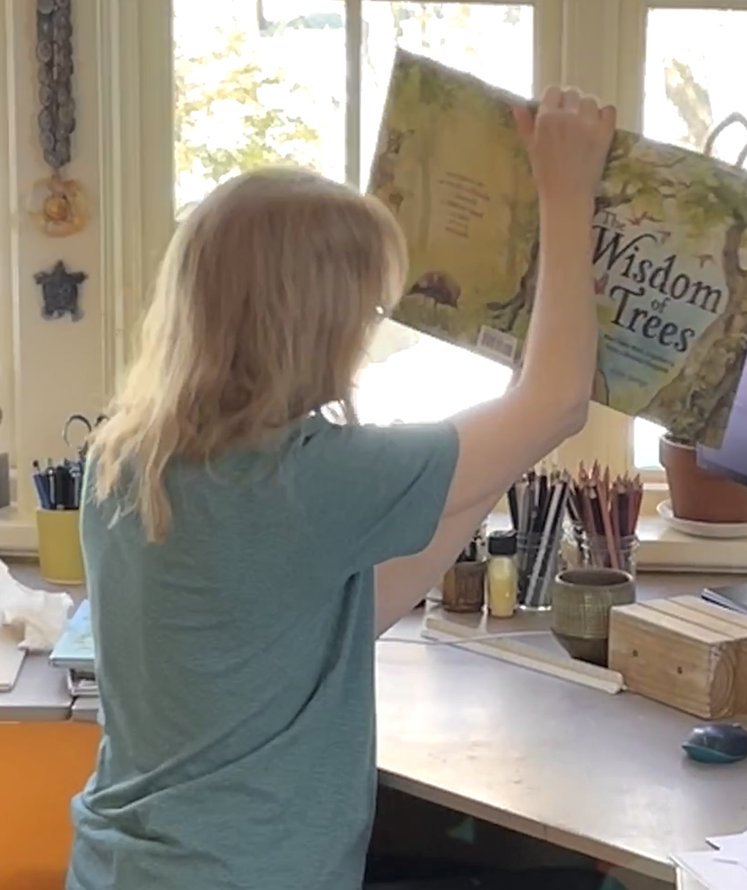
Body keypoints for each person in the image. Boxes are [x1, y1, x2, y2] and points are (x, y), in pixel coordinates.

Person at [67, 87, 616, 890]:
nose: (369, 329)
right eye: (365, 310)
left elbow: (349, 608)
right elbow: (558, 401)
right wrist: (566, 194)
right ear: (313, 327)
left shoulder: (126, 454)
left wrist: (466, 478)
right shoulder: (308, 480)